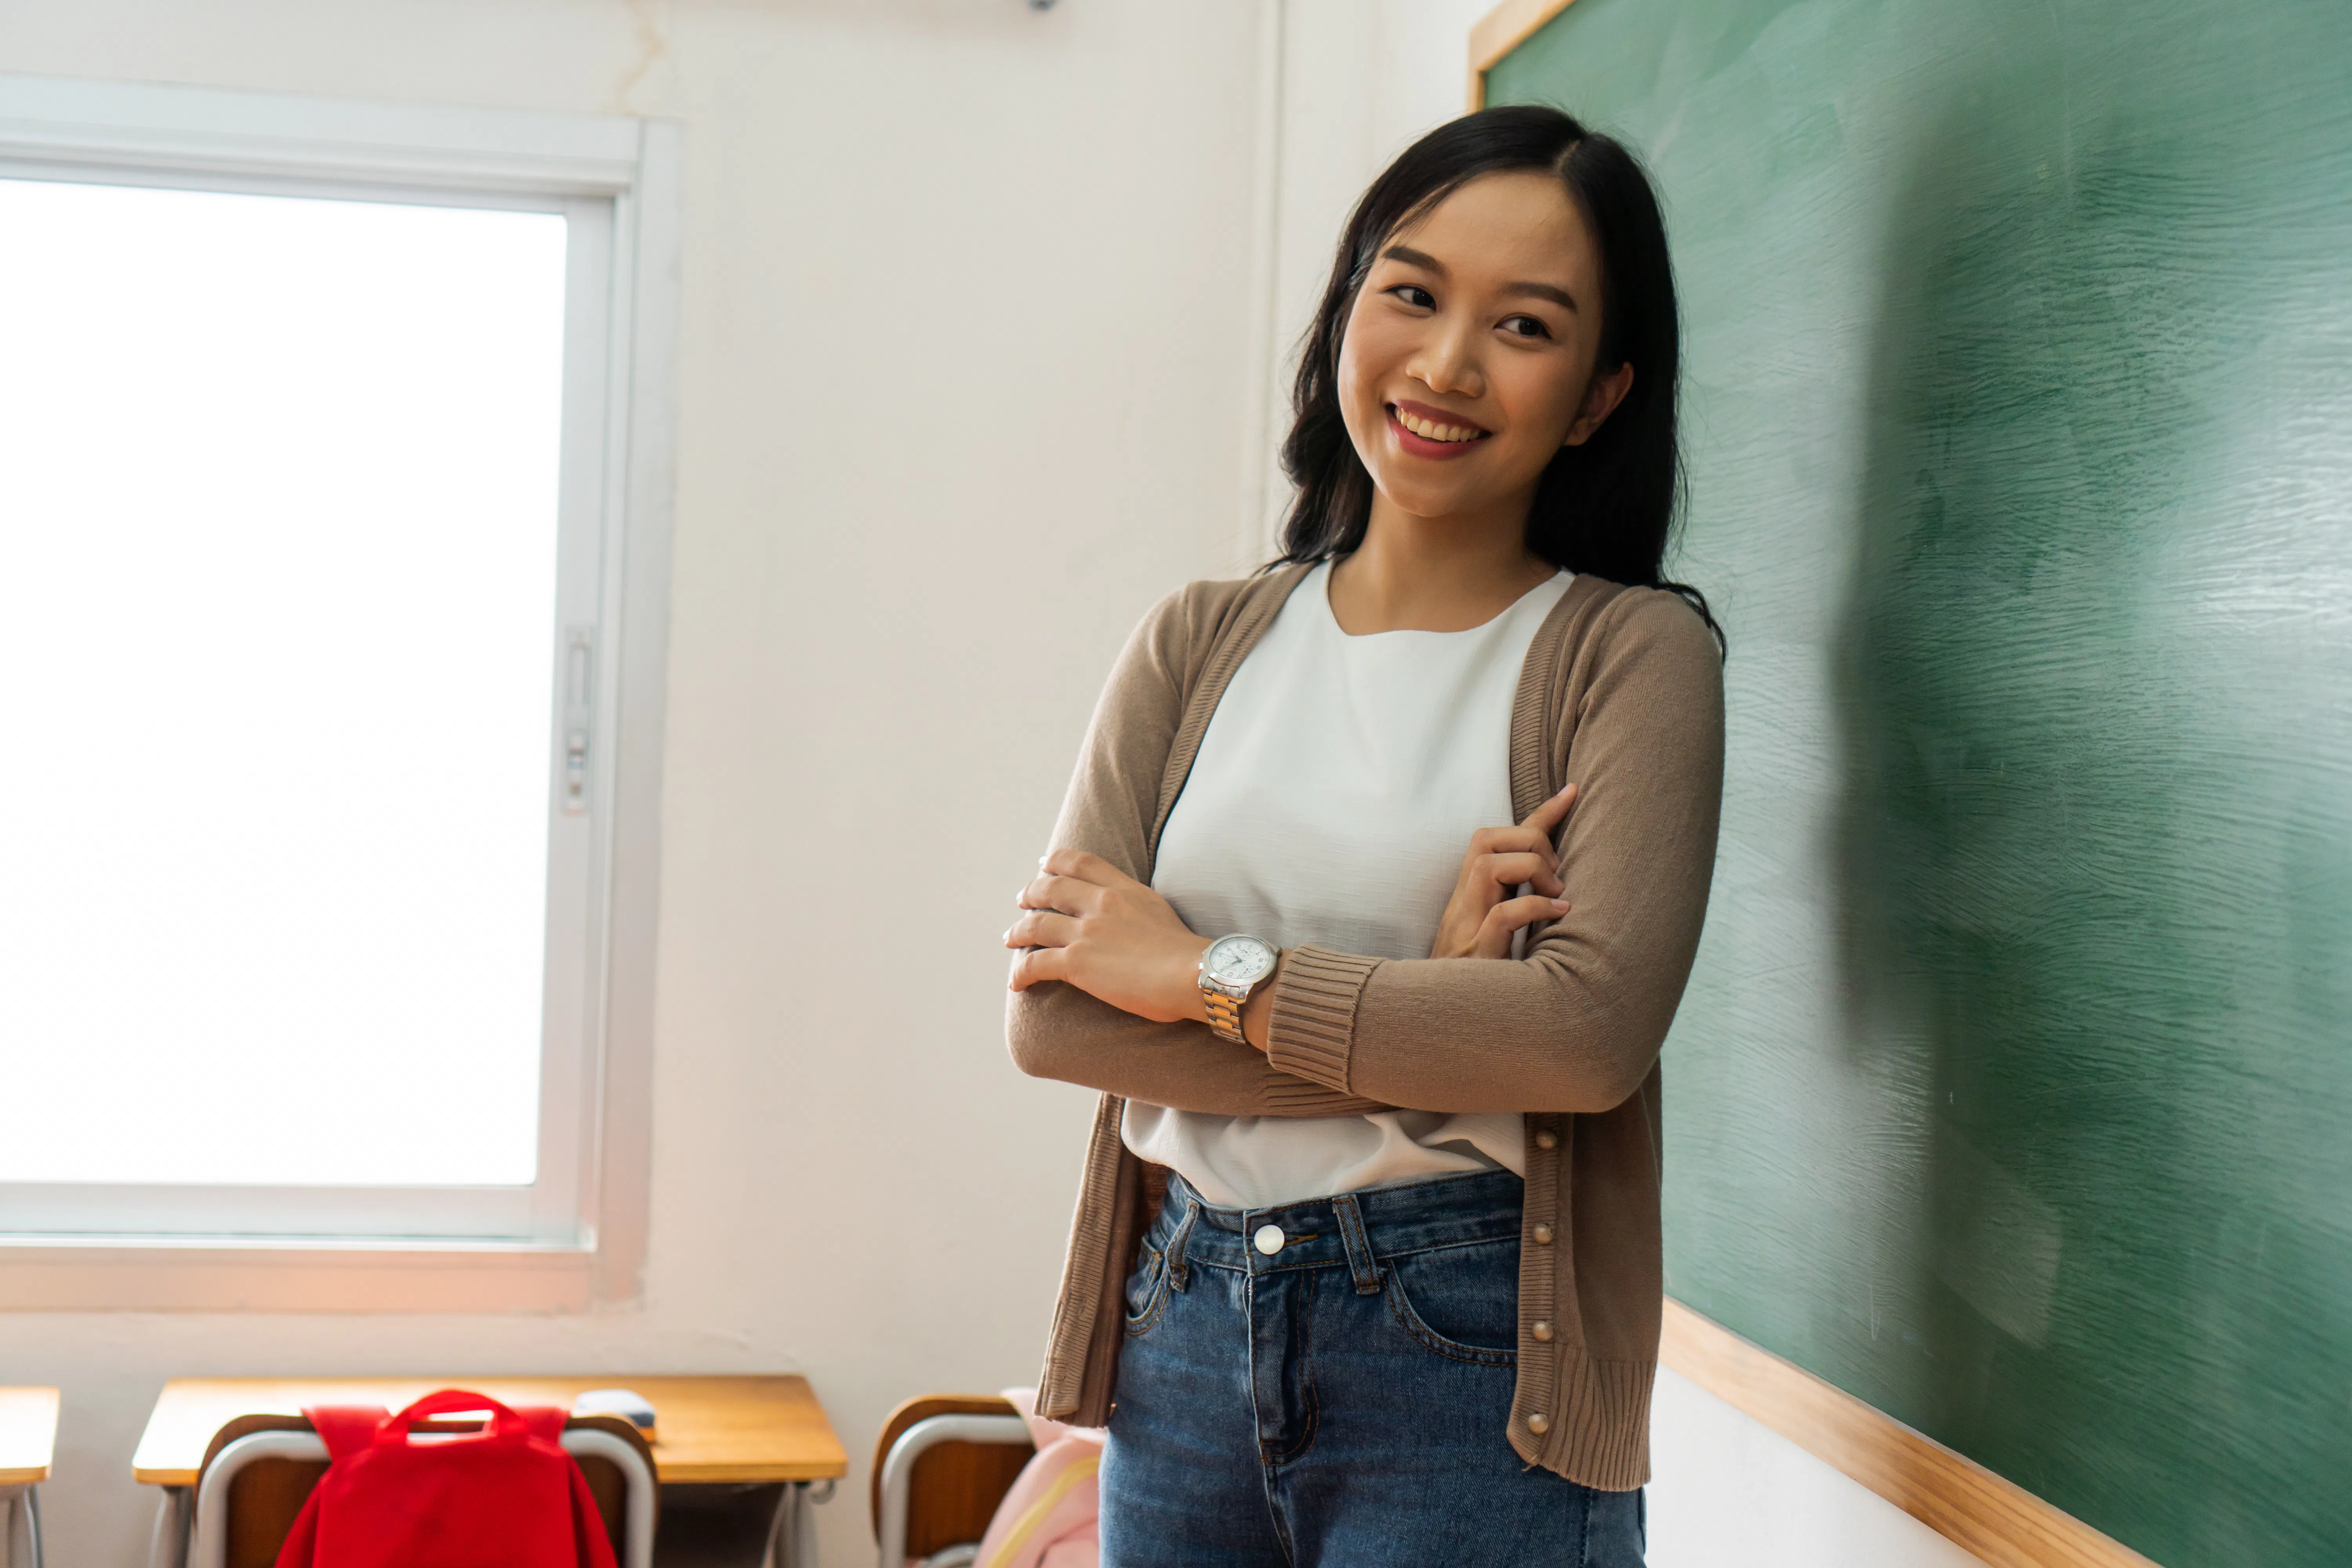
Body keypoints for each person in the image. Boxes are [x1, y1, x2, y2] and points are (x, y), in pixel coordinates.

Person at [1002, 105, 1724, 1567]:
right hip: (1182, 1332)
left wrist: (1201, 971)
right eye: (1411, 292)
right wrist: (1432, 1006)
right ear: (1346, 313)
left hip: (1464, 1360)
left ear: (1598, 395)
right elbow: (1060, 1020)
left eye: (1525, 325)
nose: (1447, 363)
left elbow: (1579, 1045)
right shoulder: (1196, 640)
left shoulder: (1629, 659)